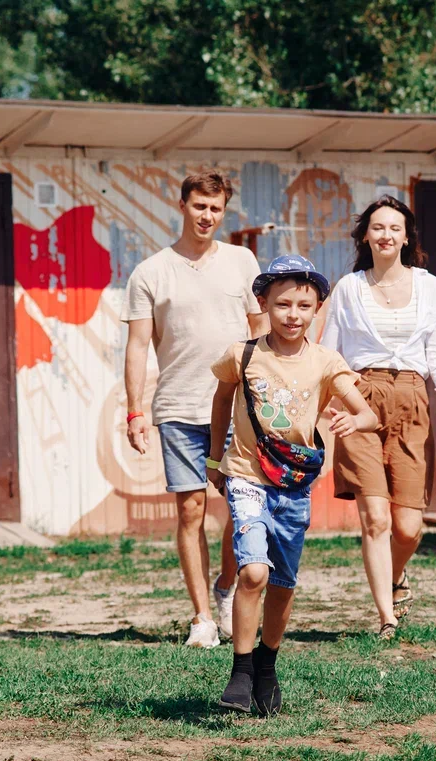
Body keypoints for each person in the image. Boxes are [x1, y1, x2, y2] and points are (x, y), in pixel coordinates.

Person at [207, 255, 378, 715]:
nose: (293, 315)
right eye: (282, 304)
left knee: (282, 584)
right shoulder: (242, 355)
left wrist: (354, 421)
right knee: (253, 572)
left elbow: (367, 413)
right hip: (246, 476)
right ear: (263, 303)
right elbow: (221, 400)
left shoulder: (325, 361)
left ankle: (266, 668)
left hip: (294, 485)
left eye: (304, 306)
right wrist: (214, 458)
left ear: (317, 309)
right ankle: (241, 672)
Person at [122, 171, 269, 649]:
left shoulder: (242, 261)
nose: (207, 216)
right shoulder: (150, 272)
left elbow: (260, 329)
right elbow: (137, 346)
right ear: (182, 205)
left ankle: (226, 586)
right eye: (199, 206)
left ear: (223, 212)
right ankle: (202, 617)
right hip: (178, 407)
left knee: (241, 505)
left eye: (215, 208)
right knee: (191, 510)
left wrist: (268, 392)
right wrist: (135, 412)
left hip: (238, 406)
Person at [320, 196, 436, 640]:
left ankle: (395, 575)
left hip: (412, 398)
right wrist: (326, 400)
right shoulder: (348, 288)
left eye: (394, 228)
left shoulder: (429, 286)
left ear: (407, 237)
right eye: (377, 227)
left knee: (407, 527)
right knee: (376, 518)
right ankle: (386, 618)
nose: (386, 235)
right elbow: (329, 352)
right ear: (365, 237)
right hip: (361, 399)